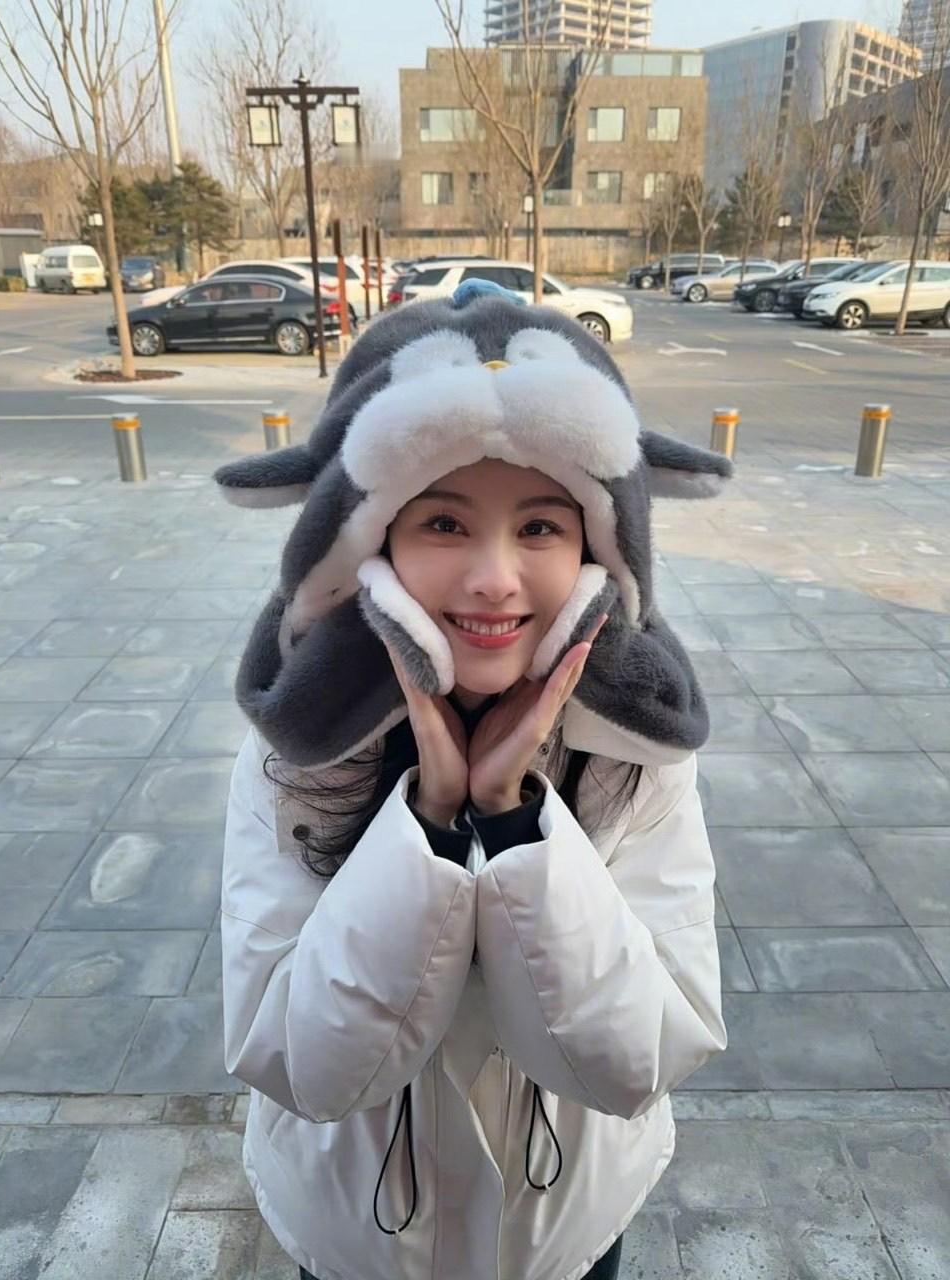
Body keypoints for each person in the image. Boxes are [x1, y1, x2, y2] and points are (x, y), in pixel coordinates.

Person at [214, 279, 731, 1280]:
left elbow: (642, 1058)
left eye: (539, 527)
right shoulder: (297, 758)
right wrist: (431, 824)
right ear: (368, 545)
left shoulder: (637, 756)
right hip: (358, 1236)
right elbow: (302, 1066)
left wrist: (514, 820)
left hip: (564, 1230)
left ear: (597, 548)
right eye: (444, 525)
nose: (494, 578)